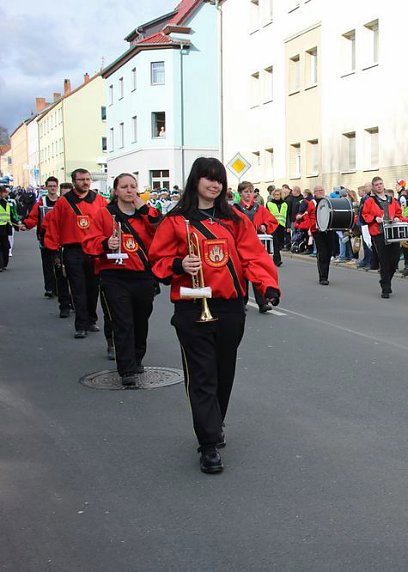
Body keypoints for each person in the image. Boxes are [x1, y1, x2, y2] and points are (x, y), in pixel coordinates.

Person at [149, 157, 280, 474]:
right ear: (196, 181)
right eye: (208, 178)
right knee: (202, 376)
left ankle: (215, 422)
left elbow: (253, 255)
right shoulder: (175, 221)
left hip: (229, 307)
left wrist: (267, 285)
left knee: (223, 373)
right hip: (192, 306)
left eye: (219, 179)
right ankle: (208, 444)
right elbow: (157, 260)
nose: (214, 184)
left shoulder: (235, 219)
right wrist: (179, 264)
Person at [82, 174, 161, 386]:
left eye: (133, 186)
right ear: (115, 190)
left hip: (142, 275)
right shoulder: (104, 214)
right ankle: (126, 368)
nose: (129, 190)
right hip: (115, 276)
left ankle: (137, 357)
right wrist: (106, 243)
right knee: (122, 321)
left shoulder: (145, 213)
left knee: (141, 320)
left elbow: (160, 230)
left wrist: (145, 209)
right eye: (124, 186)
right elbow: (89, 242)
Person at [43, 168, 109, 338]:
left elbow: (108, 223)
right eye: (81, 179)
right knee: (78, 288)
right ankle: (81, 325)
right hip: (73, 251)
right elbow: (54, 226)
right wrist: (54, 251)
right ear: (74, 182)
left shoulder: (100, 200)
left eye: (87, 179)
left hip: (95, 250)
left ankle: (91, 320)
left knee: (93, 288)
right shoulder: (63, 202)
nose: (85, 182)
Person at [18, 177, 72, 316]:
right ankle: (50, 288)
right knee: (48, 264)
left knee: (61, 268)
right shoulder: (42, 202)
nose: (52, 188)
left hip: (62, 239)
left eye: (54, 186)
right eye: (50, 186)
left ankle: (62, 292)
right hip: (45, 238)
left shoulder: (63, 201)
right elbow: (33, 217)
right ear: (47, 187)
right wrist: (26, 225)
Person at [234, 181, 278, 313]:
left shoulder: (260, 208)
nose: (249, 194)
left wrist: (265, 225)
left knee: (258, 272)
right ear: (240, 193)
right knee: (241, 274)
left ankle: (263, 303)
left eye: (251, 191)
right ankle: (242, 301)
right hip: (241, 245)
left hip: (257, 245)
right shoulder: (235, 209)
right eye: (246, 192)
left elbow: (272, 221)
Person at [361, 176, 402, 298]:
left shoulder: (391, 199)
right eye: (376, 185)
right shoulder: (370, 201)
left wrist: (397, 218)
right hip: (379, 233)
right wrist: (375, 218)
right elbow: (364, 215)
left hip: (392, 231)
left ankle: (385, 280)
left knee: (395, 259)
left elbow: (398, 212)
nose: (379, 186)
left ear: (383, 185)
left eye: (380, 184)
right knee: (384, 260)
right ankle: (386, 288)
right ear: (373, 187)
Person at [310, 185, 338, 285]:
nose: (321, 192)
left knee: (329, 252)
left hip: (329, 230)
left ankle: (326, 274)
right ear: (315, 192)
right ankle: (323, 277)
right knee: (322, 253)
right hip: (317, 231)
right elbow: (309, 216)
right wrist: (315, 225)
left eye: (322, 190)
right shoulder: (312, 203)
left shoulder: (328, 201)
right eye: (319, 190)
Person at [266, 186, 288, 267]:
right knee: (275, 242)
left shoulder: (285, 204)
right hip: (273, 225)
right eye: (275, 195)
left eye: (278, 195)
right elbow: (266, 215)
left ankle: (275, 258)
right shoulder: (269, 204)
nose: (276, 196)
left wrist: (288, 226)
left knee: (280, 244)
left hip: (282, 226)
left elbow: (287, 215)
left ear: (280, 195)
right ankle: (277, 260)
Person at [0, 186, 19, 272]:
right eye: (4, 192)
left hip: (6, 228)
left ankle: (4, 264)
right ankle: (1, 265)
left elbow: (10, 216)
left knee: (6, 247)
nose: (6, 194)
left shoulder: (6, 203)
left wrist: (17, 225)